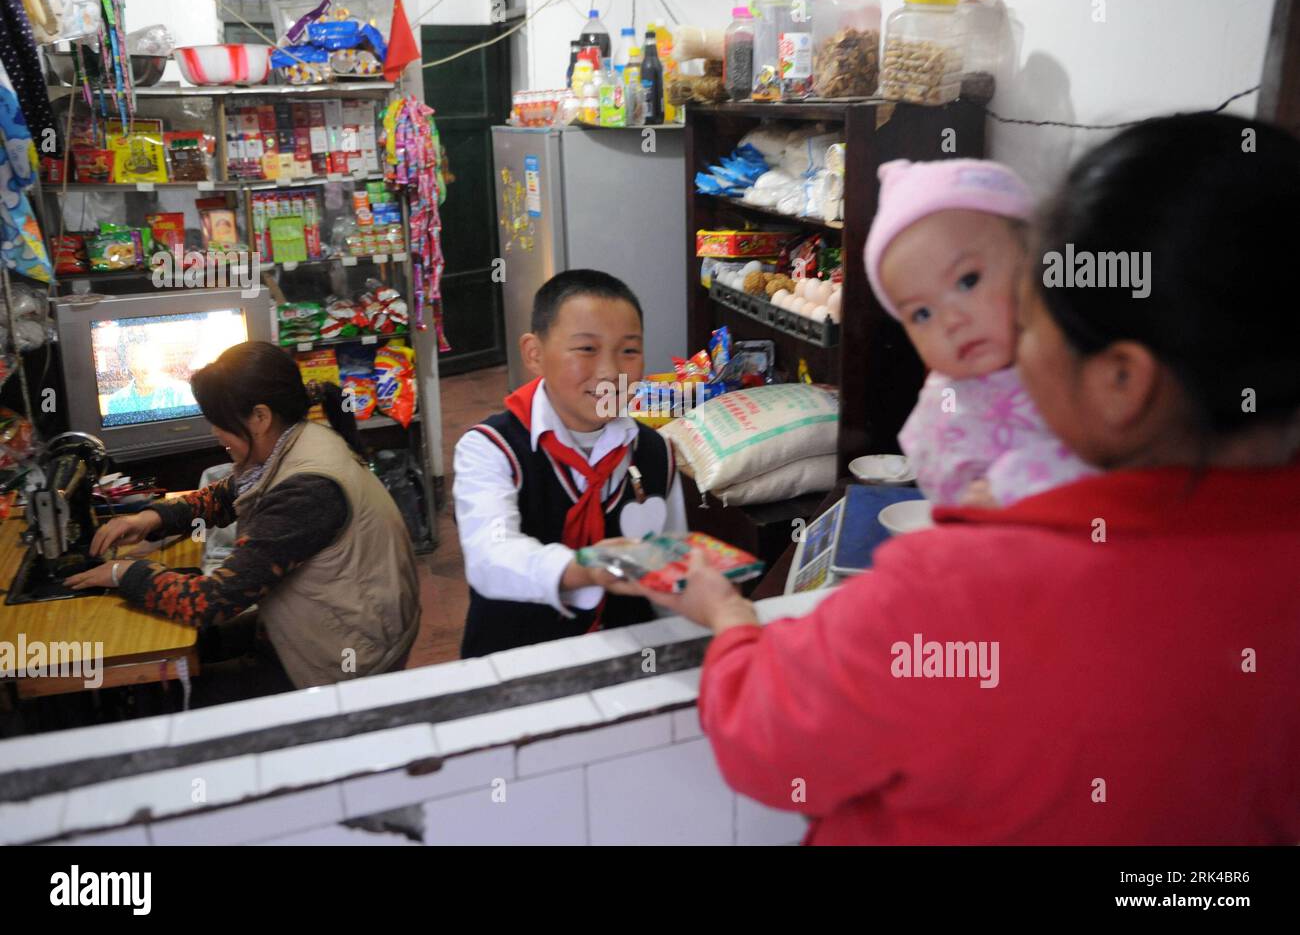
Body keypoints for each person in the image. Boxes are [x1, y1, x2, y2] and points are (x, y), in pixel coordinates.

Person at [625, 113, 1300, 844]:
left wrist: (729, 615)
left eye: (1031, 318)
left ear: (1121, 381)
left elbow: (766, 738)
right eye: (919, 312)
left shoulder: (964, 589)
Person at [67, 341, 421, 700]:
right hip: (332, 622)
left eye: (219, 422)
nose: (214, 432)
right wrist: (152, 517)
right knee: (185, 652)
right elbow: (229, 494)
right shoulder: (298, 439)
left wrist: (122, 574)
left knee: (165, 692)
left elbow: (212, 601)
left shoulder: (307, 489)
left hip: (345, 659)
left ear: (260, 417)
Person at [455, 269, 687, 657]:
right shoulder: (491, 449)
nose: (611, 372)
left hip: (627, 664)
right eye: (587, 349)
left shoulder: (655, 453)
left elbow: (669, 574)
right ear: (534, 353)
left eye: (629, 351)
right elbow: (490, 557)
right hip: (515, 667)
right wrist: (587, 568)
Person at [864, 158, 1094, 507]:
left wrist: (1024, 482)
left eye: (968, 280)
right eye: (921, 313)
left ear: (1034, 256)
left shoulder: (1086, 346)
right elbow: (956, 512)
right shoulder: (945, 412)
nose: (951, 321)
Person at [102, 325, 194, 419]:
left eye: (148, 356)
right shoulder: (116, 401)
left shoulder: (181, 392)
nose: (145, 367)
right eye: (135, 358)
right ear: (126, 363)